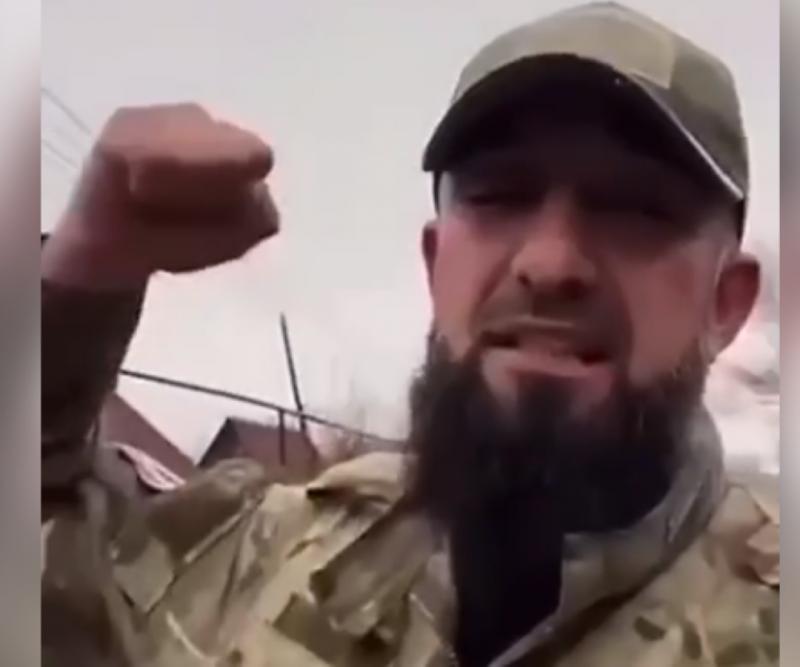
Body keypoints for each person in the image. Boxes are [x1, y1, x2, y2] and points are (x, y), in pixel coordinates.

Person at [42, 3, 779, 666]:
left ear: (727, 302)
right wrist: (75, 282)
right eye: (501, 194)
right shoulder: (256, 559)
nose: (551, 263)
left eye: (636, 210)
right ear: (435, 264)